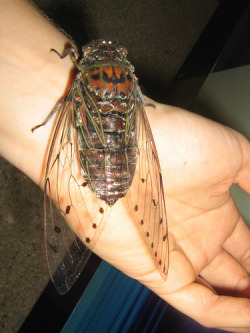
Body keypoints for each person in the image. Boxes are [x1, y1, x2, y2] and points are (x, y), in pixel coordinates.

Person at [0, 0, 249, 332]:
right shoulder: (125, 84)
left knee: (68, 118)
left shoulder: (80, 74)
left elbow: (61, 106)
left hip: (103, 156)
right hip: (123, 155)